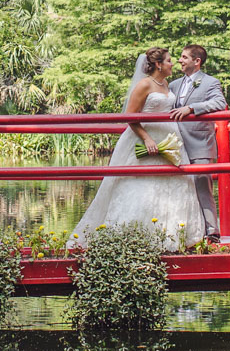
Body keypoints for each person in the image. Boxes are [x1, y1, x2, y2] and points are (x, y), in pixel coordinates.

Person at [68, 47, 209, 251]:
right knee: (141, 186)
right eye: (169, 60)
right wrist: (147, 139)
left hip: (169, 138)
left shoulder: (166, 84)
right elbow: (131, 116)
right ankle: (130, 237)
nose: (174, 63)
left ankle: (171, 237)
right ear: (159, 64)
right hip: (145, 138)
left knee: (174, 184)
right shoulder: (144, 85)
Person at [167, 44, 228, 240]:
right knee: (179, 189)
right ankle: (186, 233)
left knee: (203, 187)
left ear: (197, 61)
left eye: (184, 57)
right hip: (176, 145)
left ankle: (212, 231)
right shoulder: (174, 85)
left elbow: (219, 103)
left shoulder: (210, 82)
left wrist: (192, 108)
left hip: (200, 143)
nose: (180, 60)